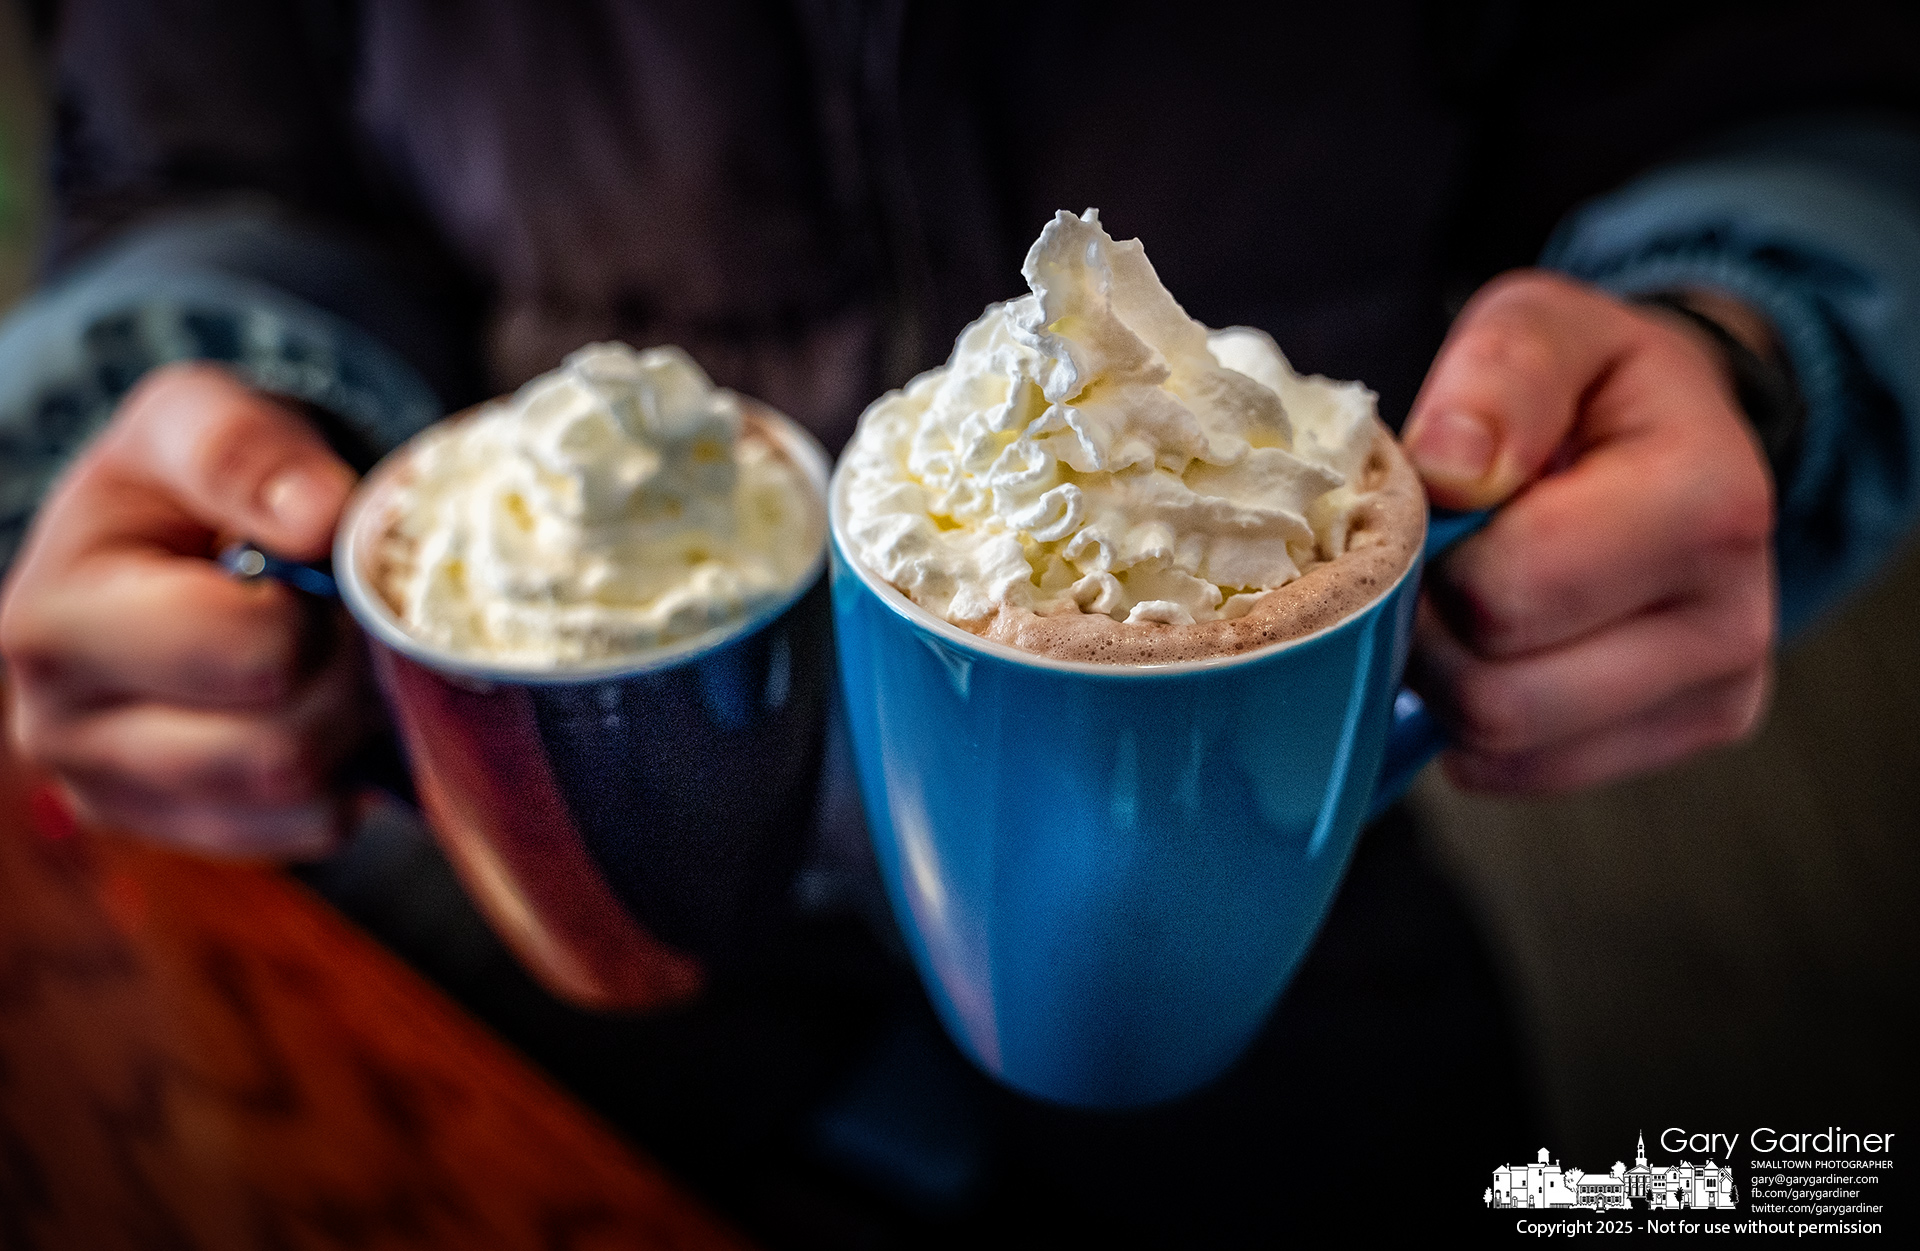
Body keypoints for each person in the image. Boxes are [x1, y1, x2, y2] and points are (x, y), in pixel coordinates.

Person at [2, 0, 1916, 1237]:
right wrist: (182, 404)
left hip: (1271, 891)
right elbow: (200, 151)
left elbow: (1791, 81)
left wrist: (1755, 339)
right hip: (571, 882)